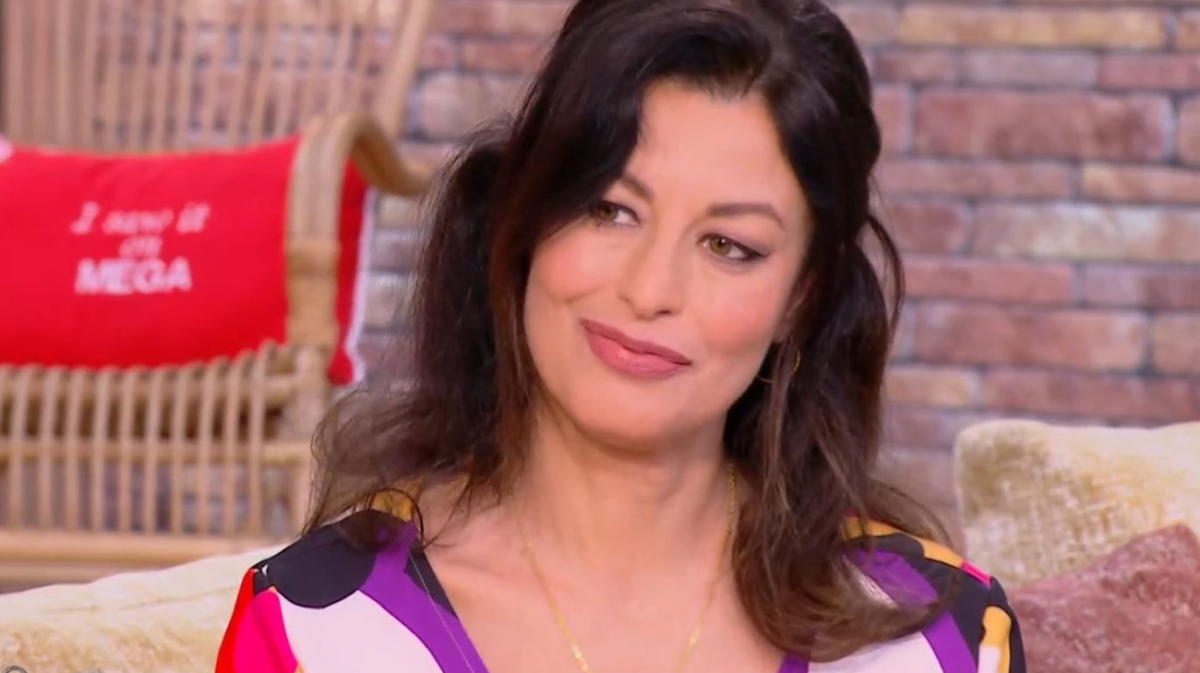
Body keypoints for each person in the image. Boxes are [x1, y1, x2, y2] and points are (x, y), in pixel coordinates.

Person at [216, 0, 1025, 671]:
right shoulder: (317, 628)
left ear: (800, 298)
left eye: (729, 245)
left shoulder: (940, 638)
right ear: (521, 221)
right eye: (609, 210)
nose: (650, 289)